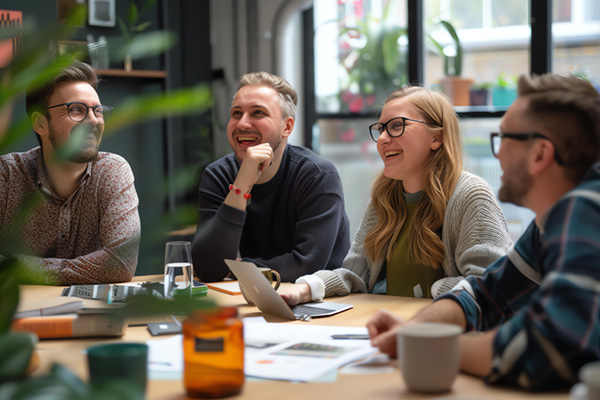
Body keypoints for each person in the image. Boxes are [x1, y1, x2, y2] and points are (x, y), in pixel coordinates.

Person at [366, 74, 600, 390]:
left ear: (540, 154)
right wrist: (414, 331)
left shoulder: (586, 207)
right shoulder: (547, 224)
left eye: (504, 139)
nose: (498, 154)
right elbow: (484, 294)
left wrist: (428, 346)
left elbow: (550, 352)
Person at [281, 86, 512, 305]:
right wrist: (305, 289)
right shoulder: (383, 199)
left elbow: (489, 286)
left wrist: (435, 289)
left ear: (436, 138)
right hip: (394, 328)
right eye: (381, 128)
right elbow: (354, 274)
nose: (382, 138)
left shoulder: (472, 196)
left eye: (396, 126)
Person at [192, 72, 350, 282]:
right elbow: (208, 269)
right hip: (256, 297)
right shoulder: (219, 174)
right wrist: (242, 183)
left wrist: (238, 267)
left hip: (324, 302)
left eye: (258, 113)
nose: (242, 124)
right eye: (236, 113)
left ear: (287, 127)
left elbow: (307, 265)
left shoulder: (318, 175)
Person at [0, 61, 141, 285]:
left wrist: (15, 267)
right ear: (40, 123)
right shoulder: (7, 176)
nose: (94, 121)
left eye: (98, 111)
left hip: (93, 316)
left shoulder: (113, 171)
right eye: (76, 110)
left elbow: (120, 264)